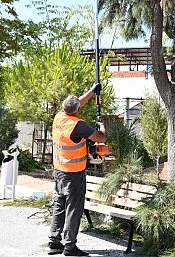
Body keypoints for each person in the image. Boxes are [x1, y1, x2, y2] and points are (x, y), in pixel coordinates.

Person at [48, 84, 106, 256]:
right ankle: (70, 247)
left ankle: (54, 242)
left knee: (60, 205)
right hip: (73, 174)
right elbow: (101, 138)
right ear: (77, 110)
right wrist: (101, 125)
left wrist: (92, 90)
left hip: (59, 171)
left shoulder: (59, 117)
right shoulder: (77, 125)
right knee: (74, 208)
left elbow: (76, 103)